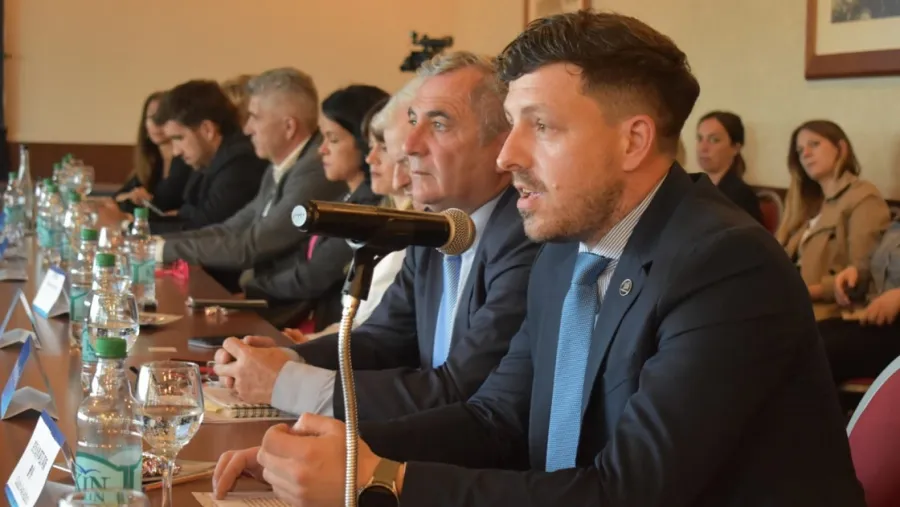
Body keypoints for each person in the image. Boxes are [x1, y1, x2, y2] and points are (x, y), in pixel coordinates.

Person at [212, 11, 865, 507]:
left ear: (633, 140)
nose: (508, 154)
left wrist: (385, 480)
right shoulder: (563, 254)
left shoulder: (724, 264)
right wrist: (323, 452)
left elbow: (630, 492)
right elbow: (496, 419)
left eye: (541, 126)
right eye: (511, 123)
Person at [212, 51, 541, 422]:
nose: (409, 145)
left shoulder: (524, 236)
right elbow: (383, 339)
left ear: (501, 145)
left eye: (439, 124)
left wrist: (285, 383)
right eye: (413, 121)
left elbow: (459, 390)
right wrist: (286, 358)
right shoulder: (437, 224)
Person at [153, 68, 346, 292]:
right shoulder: (278, 166)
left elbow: (254, 245)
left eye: (255, 117)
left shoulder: (315, 170)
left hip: (284, 303)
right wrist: (158, 244)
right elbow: (231, 229)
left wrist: (159, 251)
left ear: (289, 127)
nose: (246, 129)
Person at [240, 84, 389, 328]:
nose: (322, 150)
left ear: (364, 143)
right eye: (323, 137)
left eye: (333, 139)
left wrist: (252, 288)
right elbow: (303, 260)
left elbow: (315, 275)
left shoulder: (369, 209)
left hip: (329, 329)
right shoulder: (346, 197)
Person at [286, 79, 424, 342]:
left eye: (384, 147)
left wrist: (308, 346)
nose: (371, 158)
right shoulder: (380, 211)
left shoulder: (405, 226)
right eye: (370, 146)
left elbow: (378, 329)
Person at [776, 120, 890, 317]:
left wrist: (795, 293)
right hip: (788, 306)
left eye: (814, 144)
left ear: (841, 148)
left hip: (828, 313)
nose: (806, 154)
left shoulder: (863, 197)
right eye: (800, 150)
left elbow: (862, 275)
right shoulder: (805, 203)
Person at [150, 79, 269, 234]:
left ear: (207, 130)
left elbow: (203, 230)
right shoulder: (207, 160)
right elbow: (188, 217)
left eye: (179, 138)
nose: (176, 152)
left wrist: (131, 227)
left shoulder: (241, 164)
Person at [818, 222, 900, 387]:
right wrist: (856, 275)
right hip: (876, 322)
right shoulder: (896, 225)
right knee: (807, 336)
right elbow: (872, 267)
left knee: (820, 352)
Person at [112, 91, 192, 215]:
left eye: (162, 117)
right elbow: (116, 197)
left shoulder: (189, 159)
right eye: (151, 118)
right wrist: (131, 196)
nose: (156, 124)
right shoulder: (151, 160)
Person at [695, 111, 763, 223]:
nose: (703, 148)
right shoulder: (693, 188)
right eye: (700, 139)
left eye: (714, 140)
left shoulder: (741, 196)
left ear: (736, 147)